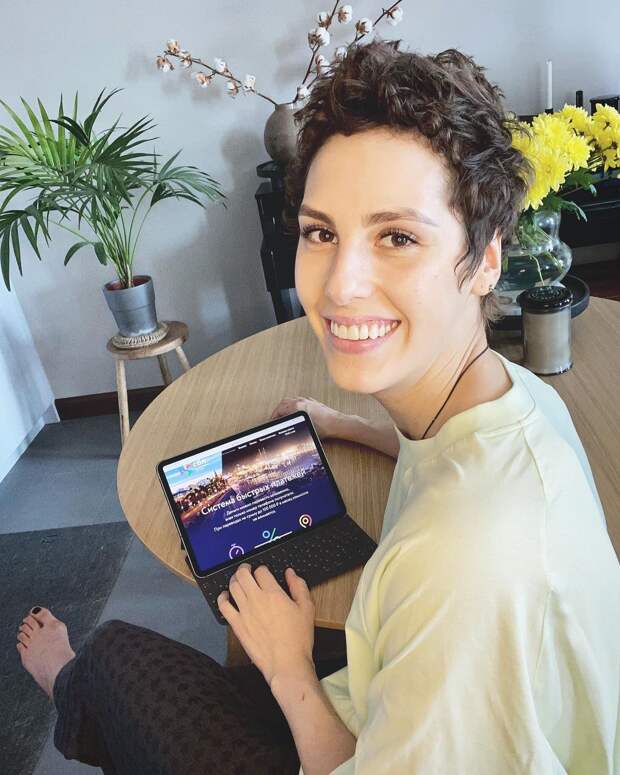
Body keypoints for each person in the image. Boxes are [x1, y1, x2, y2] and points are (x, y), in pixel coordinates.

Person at [17, 38, 620, 775]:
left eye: (397, 236)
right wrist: (353, 426)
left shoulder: (458, 565)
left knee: (118, 657)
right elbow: (451, 454)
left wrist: (289, 667)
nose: (339, 285)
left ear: (486, 258)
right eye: (321, 232)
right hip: (404, 704)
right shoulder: (517, 397)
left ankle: (68, 684)